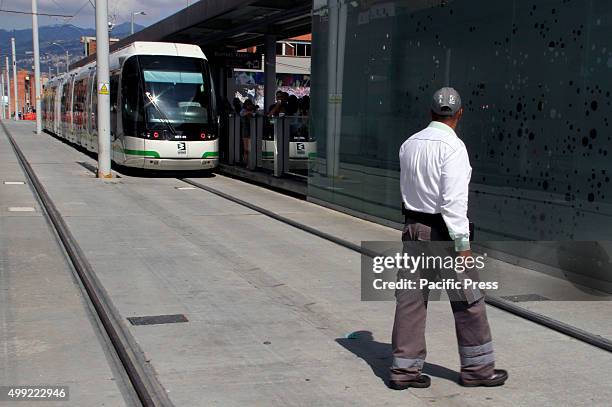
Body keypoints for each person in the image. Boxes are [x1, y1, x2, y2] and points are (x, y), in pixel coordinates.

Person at [390, 87, 508, 390]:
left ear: (430, 112)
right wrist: (463, 244)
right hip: (443, 233)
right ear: (460, 114)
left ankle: (404, 372)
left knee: (411, 300)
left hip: (413, 228)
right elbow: (453, 202)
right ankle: (478, 370)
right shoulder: (453, 148)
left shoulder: (409, 144)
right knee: (468, 301)